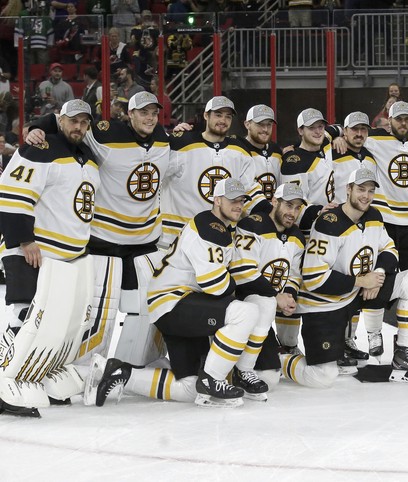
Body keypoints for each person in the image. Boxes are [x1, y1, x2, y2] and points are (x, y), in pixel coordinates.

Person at [85, 178, 279, 407]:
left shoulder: (217, 226)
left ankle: (120, 373)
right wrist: (237, 288)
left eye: (241, 201)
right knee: (246, 312)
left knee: (192, 388)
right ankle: (216, 378)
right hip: (175, 303)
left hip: (178, 304)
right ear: (217, 200)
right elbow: (215, 285)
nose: (238, 205)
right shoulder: (211, 228)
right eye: (232, 200)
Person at [24, 91, 171, 363]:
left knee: (151, 306)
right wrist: (35, 128)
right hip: (106, 239)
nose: (149, 118)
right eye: (143, 112)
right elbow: (65, 122)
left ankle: (136, 365)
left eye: (153, 112)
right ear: (130, 114)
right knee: (102, 311)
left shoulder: (163, 137)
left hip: (146, 240)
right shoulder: (105, 133)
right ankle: (86, 367)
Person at [293, 168, 408, 385]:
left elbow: (390, 249)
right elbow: (314, 279)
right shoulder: (328, 223)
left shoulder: (374, 216)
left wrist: (377, 275)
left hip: (357, 291)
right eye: (360, 189)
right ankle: (281, 359)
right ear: (348, 189)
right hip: (325, 302)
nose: (366, 196)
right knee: (322, 376)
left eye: (370, 191)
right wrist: (361, 281)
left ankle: (403, 354)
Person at [0, 100, 98, 334]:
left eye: (84, 123)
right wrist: (25, 240)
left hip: (67, 258)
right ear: (60, 120)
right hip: (34, 251)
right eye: (73, 121)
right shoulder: (40, 147)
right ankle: (7, 366)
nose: (79, 127)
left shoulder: (88, 155)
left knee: (52, 324)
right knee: (25, 317)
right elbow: (12, 195)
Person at [358, 100, 408, 356]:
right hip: (384, 221)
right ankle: (373, 334)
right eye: (398, 119)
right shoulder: (375, 139)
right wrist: (331, 134)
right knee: (378, 277)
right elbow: (349, 132)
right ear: (388, 121)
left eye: (406, 119)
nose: (402, 123)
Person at [161, 96, 268, 245]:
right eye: (218, 115)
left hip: (220, 239)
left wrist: (271, 214)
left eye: (228, 116)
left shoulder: (240, 151)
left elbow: (248, 190)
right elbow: (155, 174)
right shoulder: (181, 143)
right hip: (177, 237)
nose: (223, 120)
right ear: (206, 115)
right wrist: (168, 137)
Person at [236, 183, 306, 389]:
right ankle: (234, 368)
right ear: (274, 202)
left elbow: (293, 275)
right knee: (265, 303)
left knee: (270, 377)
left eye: (297, 208)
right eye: (288, 205)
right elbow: (243, 272)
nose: (292, 212)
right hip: (241, 305)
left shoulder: (297, 237)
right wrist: (276, 296)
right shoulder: (252, 225)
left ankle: (277, 356)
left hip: (265, 310)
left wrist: (289, 296)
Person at [280, 108, 335, 207]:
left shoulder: (325, 141)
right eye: (311, 128)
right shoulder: (294, 163)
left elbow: (338, 128)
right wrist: (317, 212)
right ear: (300, 130)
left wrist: (340, 138)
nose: (318, 132)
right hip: (311, 219)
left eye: (320, 127)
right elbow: (293, 203)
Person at [240, 105, 282, 202]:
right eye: (260, 124)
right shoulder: (239, 150)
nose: (265, 129)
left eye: (269, 124)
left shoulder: (276, 151)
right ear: (247, 124)